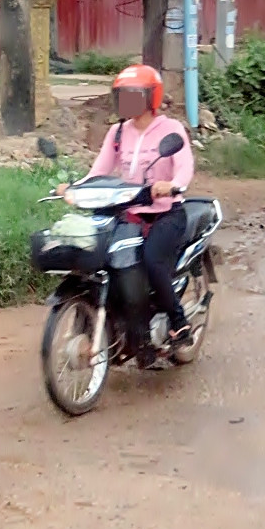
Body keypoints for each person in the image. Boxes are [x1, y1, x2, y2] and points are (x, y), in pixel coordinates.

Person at [62, 64, 195, 344]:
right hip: (129, 214)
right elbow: (99, 170)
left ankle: (179, 323)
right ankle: (125, 325)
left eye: (134, 95)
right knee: (104, 259)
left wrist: (172, 186)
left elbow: (184, 168)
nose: (126, 101)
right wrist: (76, 188)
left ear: (151, 98)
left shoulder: (171, 130)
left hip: (165, 214)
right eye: (122, 95)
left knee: (152, 261)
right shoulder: (118, 132)